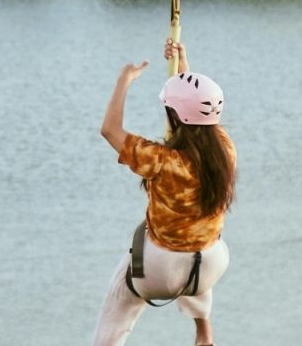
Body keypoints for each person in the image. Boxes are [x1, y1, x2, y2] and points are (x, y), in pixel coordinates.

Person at [92, 39, 237, 346]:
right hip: (210, 267)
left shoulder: (162, 160)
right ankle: (204, 333)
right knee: (200, 239)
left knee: (127, 271)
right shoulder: (225, 149)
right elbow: (194, 111)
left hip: (161, 271)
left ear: (174, 115)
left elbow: (110, 130)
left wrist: (124, 81)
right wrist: (181, 65)